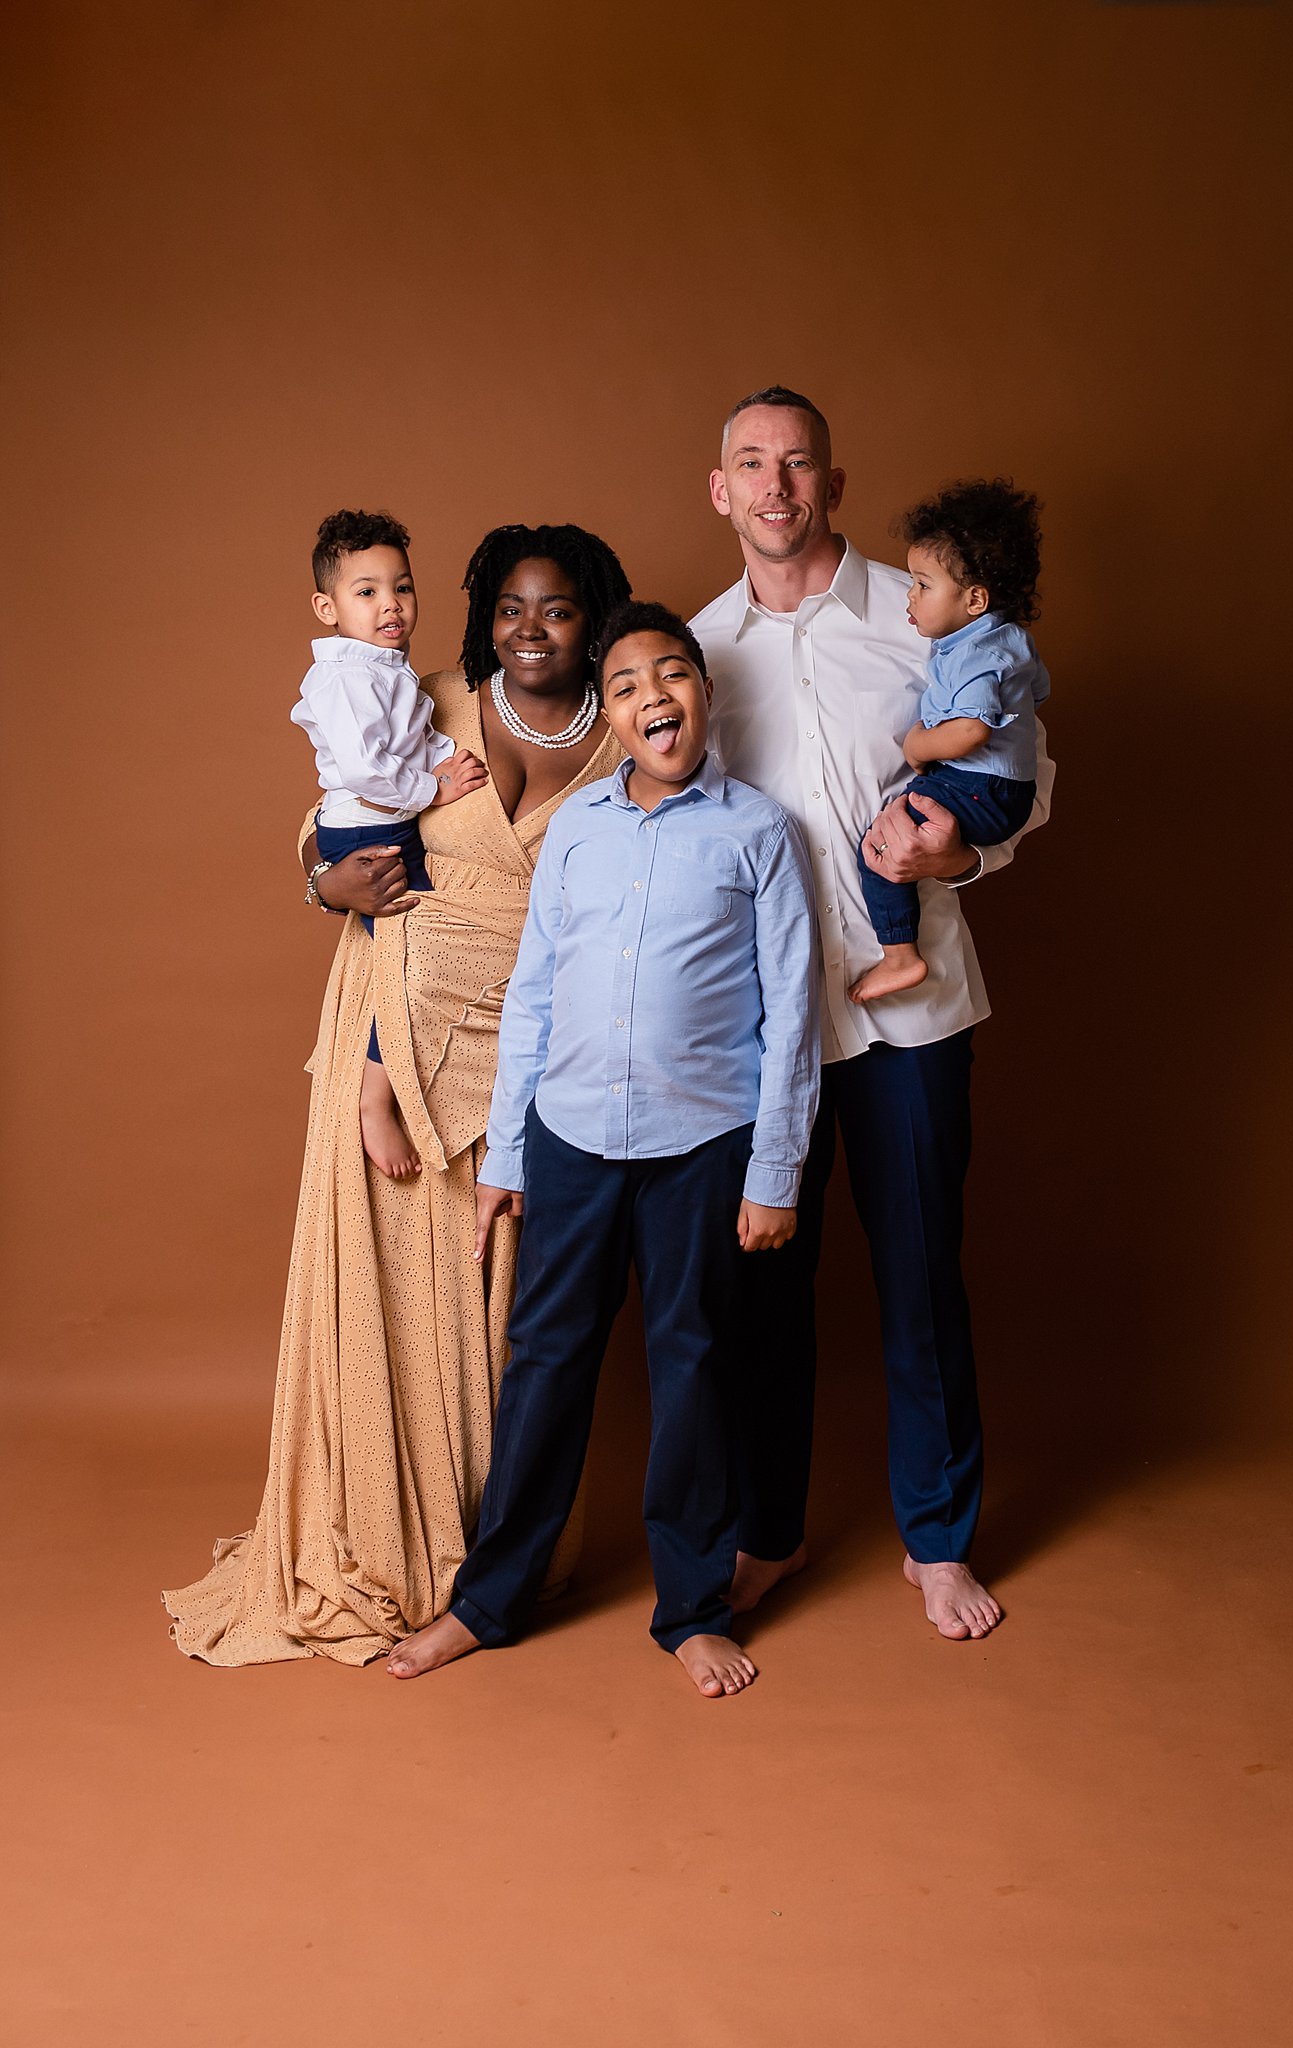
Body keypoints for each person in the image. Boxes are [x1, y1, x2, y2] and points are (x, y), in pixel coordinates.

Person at [162, 524, 632, 1665]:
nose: (530, 628)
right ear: (483, 616)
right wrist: (327, 879)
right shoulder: (423, 694)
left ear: (593, 618)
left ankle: (485, 1555)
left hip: (533, 1052)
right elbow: (333, 813)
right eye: (510, 608)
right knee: (386, 1280)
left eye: (557, 608)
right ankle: (374, 1536)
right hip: (393, 1020)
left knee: (500, 1300)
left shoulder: (630, 728)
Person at [384, 602, 820, 1696]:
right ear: (611, 716)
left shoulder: (757, 833)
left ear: (704, 695)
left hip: (702, 1144)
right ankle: (488, 1599)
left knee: (694, 1364)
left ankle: (690, 1606)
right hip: (572, 1136)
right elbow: (532, 995)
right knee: (544, 1359)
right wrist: (509, 1155)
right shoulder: (578, 828)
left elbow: (793, 1017)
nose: (651, 697)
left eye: (670, 675)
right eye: (625, 685)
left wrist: (774, 1172)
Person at [691, 387, 1054, 1641]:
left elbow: (1028, 779)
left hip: (911, 1014)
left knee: (918, 1278)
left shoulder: (928, 616)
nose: (776, 484)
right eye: (752, 463)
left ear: (833, 486)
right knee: (760, 1296)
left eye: (799, 463)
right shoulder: (694, 650)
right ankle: (766, 1534)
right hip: (758, 1028)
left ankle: (936, 1539)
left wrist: (953, 859)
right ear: (720, 489)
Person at [293, 508, 488, 1178]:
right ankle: (374, 1100)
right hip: (366, 827)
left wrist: (448, 760)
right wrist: (436, 789)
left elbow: (413, 738)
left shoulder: (387, 669)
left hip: (385, 817)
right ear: (328, 606)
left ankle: (400, 1087)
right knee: (421, 958)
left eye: (401, 587)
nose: (390, 605)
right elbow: (367, 771)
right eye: (366, 591)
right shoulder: (345, 677)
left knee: (415, 959)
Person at [851, 478, 1050, 1001]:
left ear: (975, 598)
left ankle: (900, 957)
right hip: (997, 786)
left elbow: (971, 730)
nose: (909, 595)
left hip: (982, 786)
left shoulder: (974, 655)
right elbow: (1038, 691)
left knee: (879, 847)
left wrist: (917, 746)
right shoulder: (1005, 639)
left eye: (921, 584)